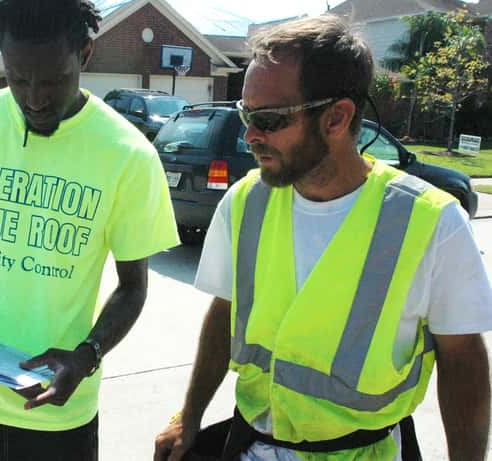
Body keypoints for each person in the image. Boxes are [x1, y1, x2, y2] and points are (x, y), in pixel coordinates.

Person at [154, 15, 492, 461]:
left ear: (336, 117)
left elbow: (463, 360)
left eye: (269, 119)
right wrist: (190, 414)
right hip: (253, 446)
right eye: (245, 114)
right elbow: (225, 310)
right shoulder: (245, 202)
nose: (250, 135)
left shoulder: (431, 223)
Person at [0, 1, 179, 460]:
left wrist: (87, 355)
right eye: (18, 79)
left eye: (53, 81)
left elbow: (133, 288)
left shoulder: (127, 154)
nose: (34, 98)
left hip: (55, 418)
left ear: (85, 54)